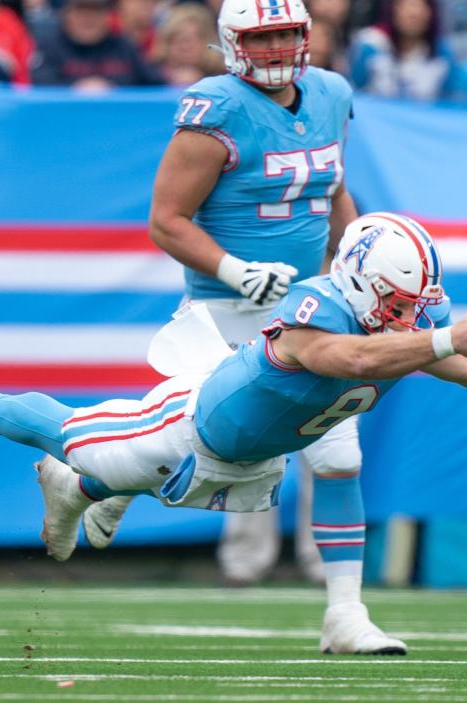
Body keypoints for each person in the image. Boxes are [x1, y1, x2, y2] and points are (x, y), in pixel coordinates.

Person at [0, 213, 467, 654]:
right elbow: (348, 361)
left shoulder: (402, 317)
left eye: (418, 305)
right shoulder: (316, 304)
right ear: (358, 282)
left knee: (151, 480)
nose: (412, 316)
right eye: (400, 303)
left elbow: (455, 368)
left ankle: (78, 490)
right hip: (190, 423)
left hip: (255, 451)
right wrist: (447, 335)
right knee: (78, 436)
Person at [93, 0, 362, 617]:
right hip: (226, 311)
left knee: (339, 452)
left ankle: (346, 609)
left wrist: (352, 264)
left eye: (287, 34)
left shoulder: (331, 94)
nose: (276, 49)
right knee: (210, 452)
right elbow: (166, 221)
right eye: (261, 37)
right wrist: (234, 269)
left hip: (311, 305)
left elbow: (333, 189)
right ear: (233, 42)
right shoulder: (217, 109)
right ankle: (99, 480)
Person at [30, 0, 164, 88]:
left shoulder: (124, 45)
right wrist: (76, 88)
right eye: (81, 12)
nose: (88, 19)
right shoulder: (49, 46)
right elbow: (36, 84)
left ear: (108, 16)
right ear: (66, 15)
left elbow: (154, 83)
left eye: (96, 12)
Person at [349, 0, 456, 100]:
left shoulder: (442, 54)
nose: (414, 12)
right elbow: (354, 94)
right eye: (407, 4)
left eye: (421, 5)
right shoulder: (371, 44)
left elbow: (449, 102)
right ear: (393, 9)